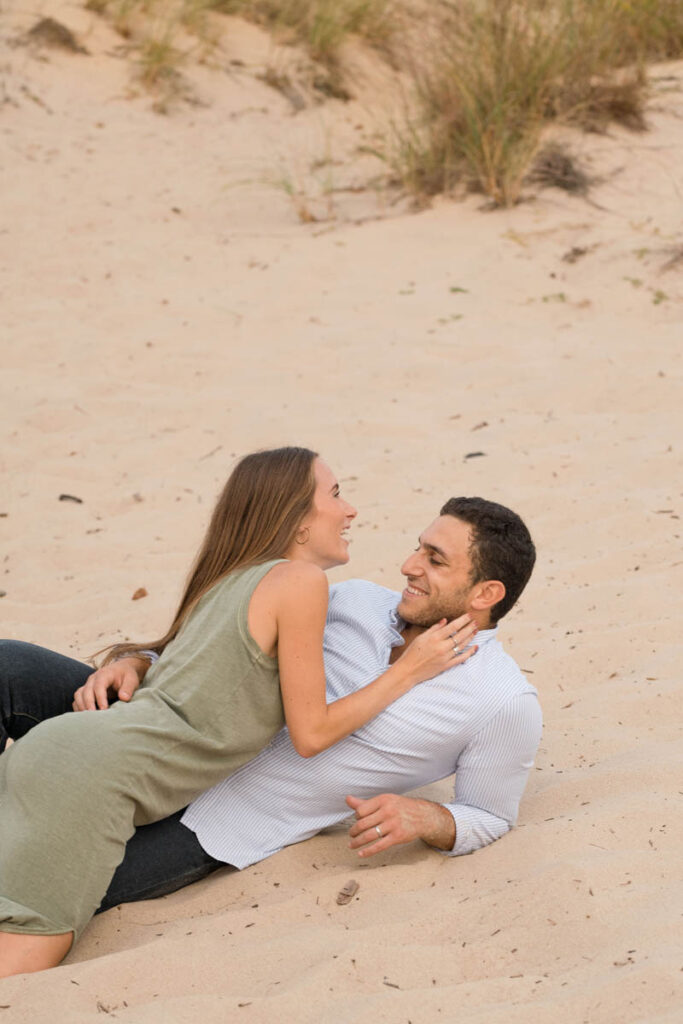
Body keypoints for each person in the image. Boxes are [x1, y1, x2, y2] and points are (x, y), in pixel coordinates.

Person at [0, 448, 476, 977]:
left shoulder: (235, 574)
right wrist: (408, 671)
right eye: (336, 494)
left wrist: (135, 660)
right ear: (296, 516)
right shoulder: (299, 583)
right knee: (24, 957)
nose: (350, 511)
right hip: (93, 777)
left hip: (72, 749)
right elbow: (311, 733)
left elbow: (193, 672)